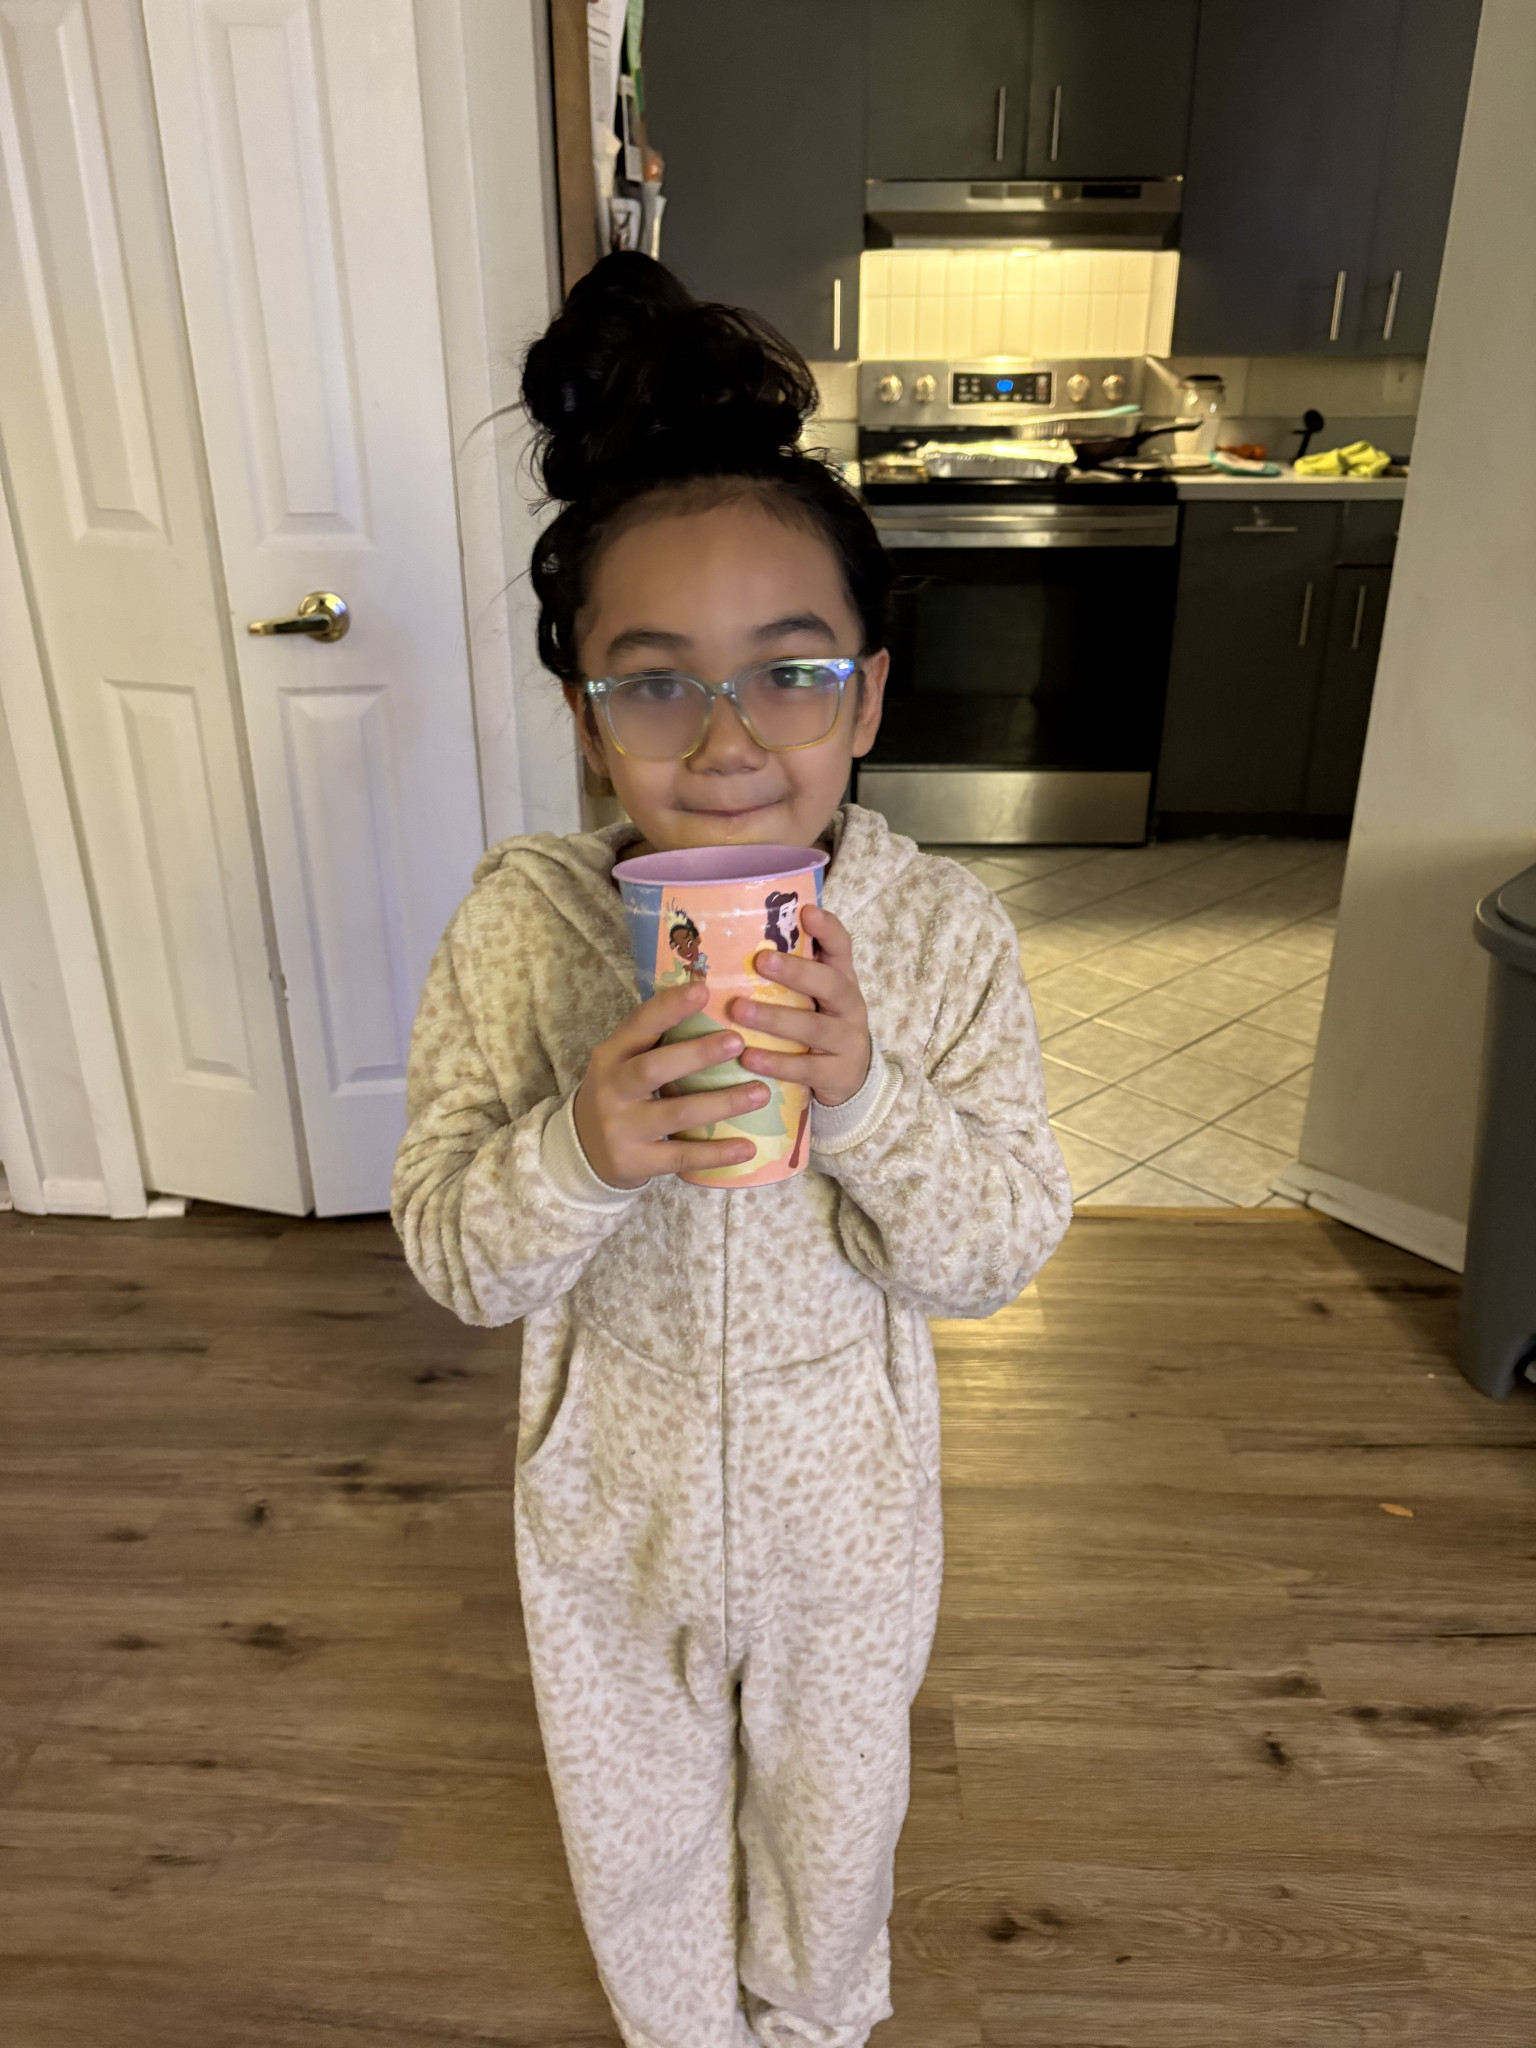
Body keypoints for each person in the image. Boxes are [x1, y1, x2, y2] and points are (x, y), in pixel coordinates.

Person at [392, 252, 1072, 2048]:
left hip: (849, 1522)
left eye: (790, 677)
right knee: (636, 1847)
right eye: (655, 686)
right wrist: (580, 1148)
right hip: (605, 1516)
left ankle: (817, 2027)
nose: (726, 743)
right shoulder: (521, 929)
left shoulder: (939, 937)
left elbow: (998, 1249)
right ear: (583, 716)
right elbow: (457, 1256)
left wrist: (866, 1101)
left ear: (867, 699)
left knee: (833, 1839)